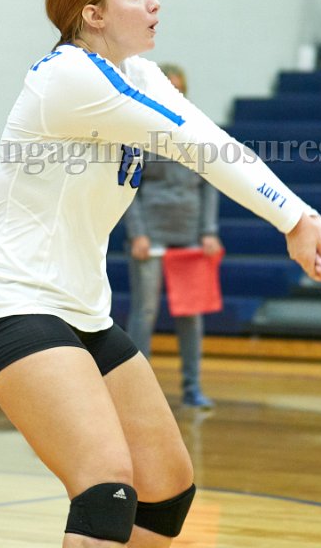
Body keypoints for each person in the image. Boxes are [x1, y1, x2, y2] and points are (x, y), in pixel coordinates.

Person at [0, 0, 321, 548]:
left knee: (165, 490)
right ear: (93, 15)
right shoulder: (68, 77)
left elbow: (212, 139)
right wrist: (292, 219)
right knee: (105, 487)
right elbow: (192, 144)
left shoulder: (137, 73)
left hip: (85, 314)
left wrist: (301, 214)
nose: (154, 2)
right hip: (15, 309)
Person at [124, 63, 222, 410]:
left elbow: (211, 185)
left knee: (190, 314)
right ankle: (138, 392)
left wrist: (209, 231)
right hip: (150, 235)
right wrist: (137, 234)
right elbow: (128, 188)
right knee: (145, 311)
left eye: (178, 88)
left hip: (190, 233)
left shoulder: (199, 129)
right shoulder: (138, 130)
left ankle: (192, 388)